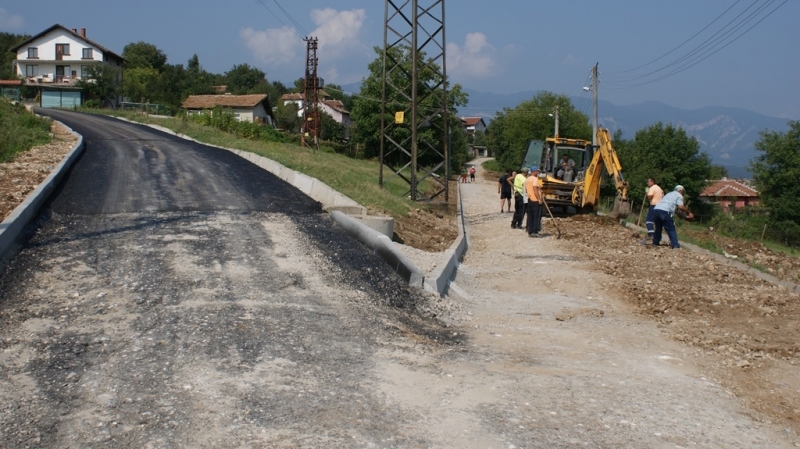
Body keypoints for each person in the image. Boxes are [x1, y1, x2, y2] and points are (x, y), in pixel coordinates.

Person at [641, 177, 665, 244]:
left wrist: (647, 192)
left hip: (654, 206)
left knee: (649, 221)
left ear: (652, 182)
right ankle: (657, 239)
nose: (647, 183)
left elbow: (649, 197)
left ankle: (651, 234)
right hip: (661, 207)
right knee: (658, 223)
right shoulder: (660, 189)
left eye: (648, 182)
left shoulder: (652, 188)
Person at [525, 166, 544, 236]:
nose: (538, 172)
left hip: (529, 199)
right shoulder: (535, 179)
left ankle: (530, 231)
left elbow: (526, 189)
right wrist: (539, 199)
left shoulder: (527, 179)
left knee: (530, 216)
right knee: (536, 216)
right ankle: (535, 231)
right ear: (534, 171)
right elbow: (535, 189)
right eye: (537, 171)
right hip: (535, 200)